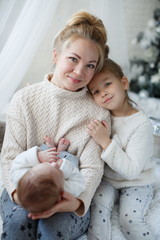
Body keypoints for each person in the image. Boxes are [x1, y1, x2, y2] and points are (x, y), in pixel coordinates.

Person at [0, 10, 110, 240]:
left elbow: (92, 169)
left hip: (69, 193)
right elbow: (9, 157)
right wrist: (19, 195)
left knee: (51, 232)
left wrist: (75, 202)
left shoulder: (98, 111)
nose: (80, 71)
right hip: (23, 187)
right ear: (56, 55)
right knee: (18, 224)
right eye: (73, 59)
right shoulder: (24, 98)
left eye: (91, 65)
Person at [87, 58, 157, 240]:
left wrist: (105, 142)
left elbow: (132, 171)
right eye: (96, 91)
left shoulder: (140, 124)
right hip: (109, 179)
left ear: (124, 83)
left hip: (137, 181)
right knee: (97, 210)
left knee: (129, 220)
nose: (103, 93)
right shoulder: (102, 115)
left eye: (107, 84)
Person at [10, 137, 86, 213]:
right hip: (66, 163)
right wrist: (64, 167)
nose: (54, 164)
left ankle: (50, 150)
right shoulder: (65, 190)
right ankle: (61, 152)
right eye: (57, 171)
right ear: (61, 194)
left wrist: (38, 157)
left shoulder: (21, 178)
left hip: (45, 156)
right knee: (72, 163)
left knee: (37, 156)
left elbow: (17, 163)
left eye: (47, 165)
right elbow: (80, 183)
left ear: (31, 171)